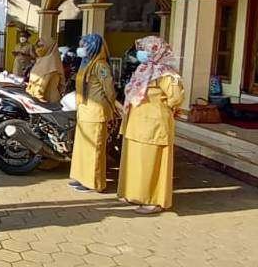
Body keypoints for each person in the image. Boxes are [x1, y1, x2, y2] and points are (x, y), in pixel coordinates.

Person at [118, 36, 186, 214]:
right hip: (136, 123)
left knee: (151, 163)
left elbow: (176, 98)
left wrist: (163, 109)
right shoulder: (143, 69)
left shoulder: (166, 74)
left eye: (146, 49)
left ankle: (153, 200)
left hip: (153, 125)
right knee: (135, 160)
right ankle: (134, 194)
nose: (141, 53)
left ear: (157, 50)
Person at [68, 34, 117, 193]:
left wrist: (114, 106)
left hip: (96, 112)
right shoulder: (86, 63)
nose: (81, 49)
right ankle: (82, 177)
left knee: (93, 149)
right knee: (83, 148)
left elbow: (108, 90)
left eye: (84, 46)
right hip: (85, 110)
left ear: (93, 47)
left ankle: (94, 183)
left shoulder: (101, 65)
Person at [25, 39, 65, 104]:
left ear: (49, 47)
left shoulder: (50, 61)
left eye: (41, 46)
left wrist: (38, 97)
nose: (38, 49)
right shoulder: (41, 59)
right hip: (35, 97)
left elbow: (42, 83)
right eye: (38, 46)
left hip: (47, 100)